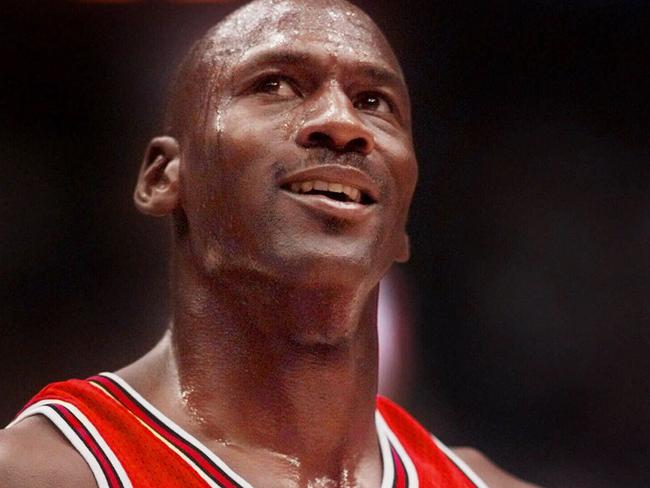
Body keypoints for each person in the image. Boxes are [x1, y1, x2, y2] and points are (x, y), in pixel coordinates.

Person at [0, 0, 539, 486]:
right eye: (275, 86)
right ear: (163, 176)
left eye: (373, 100)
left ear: (401, 220)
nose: (341, 123)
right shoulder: (40, 471)